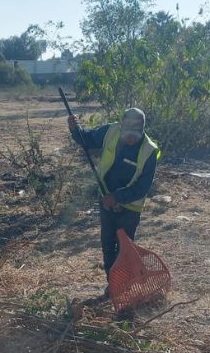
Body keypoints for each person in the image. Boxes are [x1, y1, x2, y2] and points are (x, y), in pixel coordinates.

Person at [68, 107, 162, 291]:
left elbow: (142, 188)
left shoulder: (149, 151)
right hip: (106, 202)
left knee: (124, 250)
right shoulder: (110, 131)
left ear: (142, 129)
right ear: (121, 125)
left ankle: (125, 285)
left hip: (130, 209)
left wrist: (117, 197)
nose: (130, 138)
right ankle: (114, 285)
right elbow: (85, 139)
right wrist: (74, 128)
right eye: (127, 132)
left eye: (135, 133)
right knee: (107, 245)